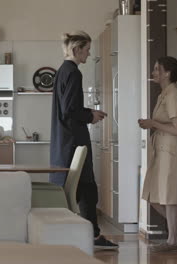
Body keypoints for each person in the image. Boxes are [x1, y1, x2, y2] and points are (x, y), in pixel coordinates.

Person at [50, 31, 118, 250]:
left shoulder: (62, 71)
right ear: (76, 49)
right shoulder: (74, 73)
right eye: (87, 49)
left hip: (65, 140)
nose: (88, 54)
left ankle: (85, 234)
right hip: (74, 140)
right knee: (85, 188)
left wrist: (89, 112)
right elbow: (70, 110)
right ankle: (89, 235)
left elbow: (67, 107)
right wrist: (90, 116)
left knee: (79, 188)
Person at [138, 56, 177, 252]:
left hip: (171, 152)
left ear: (167, 73)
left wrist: (152, 124)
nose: (154, 73)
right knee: (153, 195)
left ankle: (172, 240)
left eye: (157, 69)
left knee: (169, 196)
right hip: (161, 151)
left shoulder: (173, 95)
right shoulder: (163, 95)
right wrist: (150, 124)